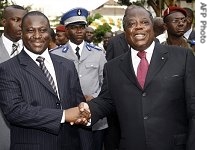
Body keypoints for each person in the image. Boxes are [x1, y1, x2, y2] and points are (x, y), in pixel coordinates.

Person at [74, 4, 195, 150]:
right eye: (132, 24)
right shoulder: (113, 67)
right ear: (125, 32)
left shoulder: (182, 57)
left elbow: (195, 108)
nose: (138, 27)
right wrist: (88, 109)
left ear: (153, 27)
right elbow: (106, 101)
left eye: (144, 22)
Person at [0, 11, 87, 150]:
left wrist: (84, 111)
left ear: (49, 33)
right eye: (30, 30)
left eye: (42, 30)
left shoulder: (67, 65)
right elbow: (14, 111)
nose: (37, 36)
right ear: (21, 33)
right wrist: (63, 115)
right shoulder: (8, 69)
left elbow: (77, 102)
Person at [51, 8, 108, 150]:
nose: (79, 31)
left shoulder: (98, 53)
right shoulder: (55, 55)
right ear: (66, 30)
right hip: (67, 117)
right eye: (74, 28)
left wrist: (95, 98)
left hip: (95, 116)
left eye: (82, 27)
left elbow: (106, 83)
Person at [0, 5, 27, 150]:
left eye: (24, 21)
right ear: (4, 22)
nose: (21, 25)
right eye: (15, 20)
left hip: (30, 132)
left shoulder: (36, 51)